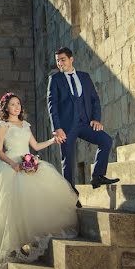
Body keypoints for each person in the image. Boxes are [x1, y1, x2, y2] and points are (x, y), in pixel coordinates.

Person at [0, 92, 79, 269]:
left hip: (29, 164)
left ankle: (28, 243)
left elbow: (36, 146)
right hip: (11, 167)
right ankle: (2, 251)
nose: (17, 107)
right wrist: (13, 164)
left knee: (35, 204)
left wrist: (52, 140)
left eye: (18, 104)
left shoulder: (26, 126)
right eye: (13, 104)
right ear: (6, 108)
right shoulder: (3, 126)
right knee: (8, 210)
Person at [48, 47, 118, 205]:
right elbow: (52, 105)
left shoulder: (84, 77)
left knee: (106, 140)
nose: (60, 63)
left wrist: (96, 119)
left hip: (85, 123)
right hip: (66, 128)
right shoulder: (55, 79)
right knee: (68, 161)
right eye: (58, 61)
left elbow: (95, 100)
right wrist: (57, 128)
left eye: (63, 60)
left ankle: (97, 176)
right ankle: (71, 196)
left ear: (71, 59)